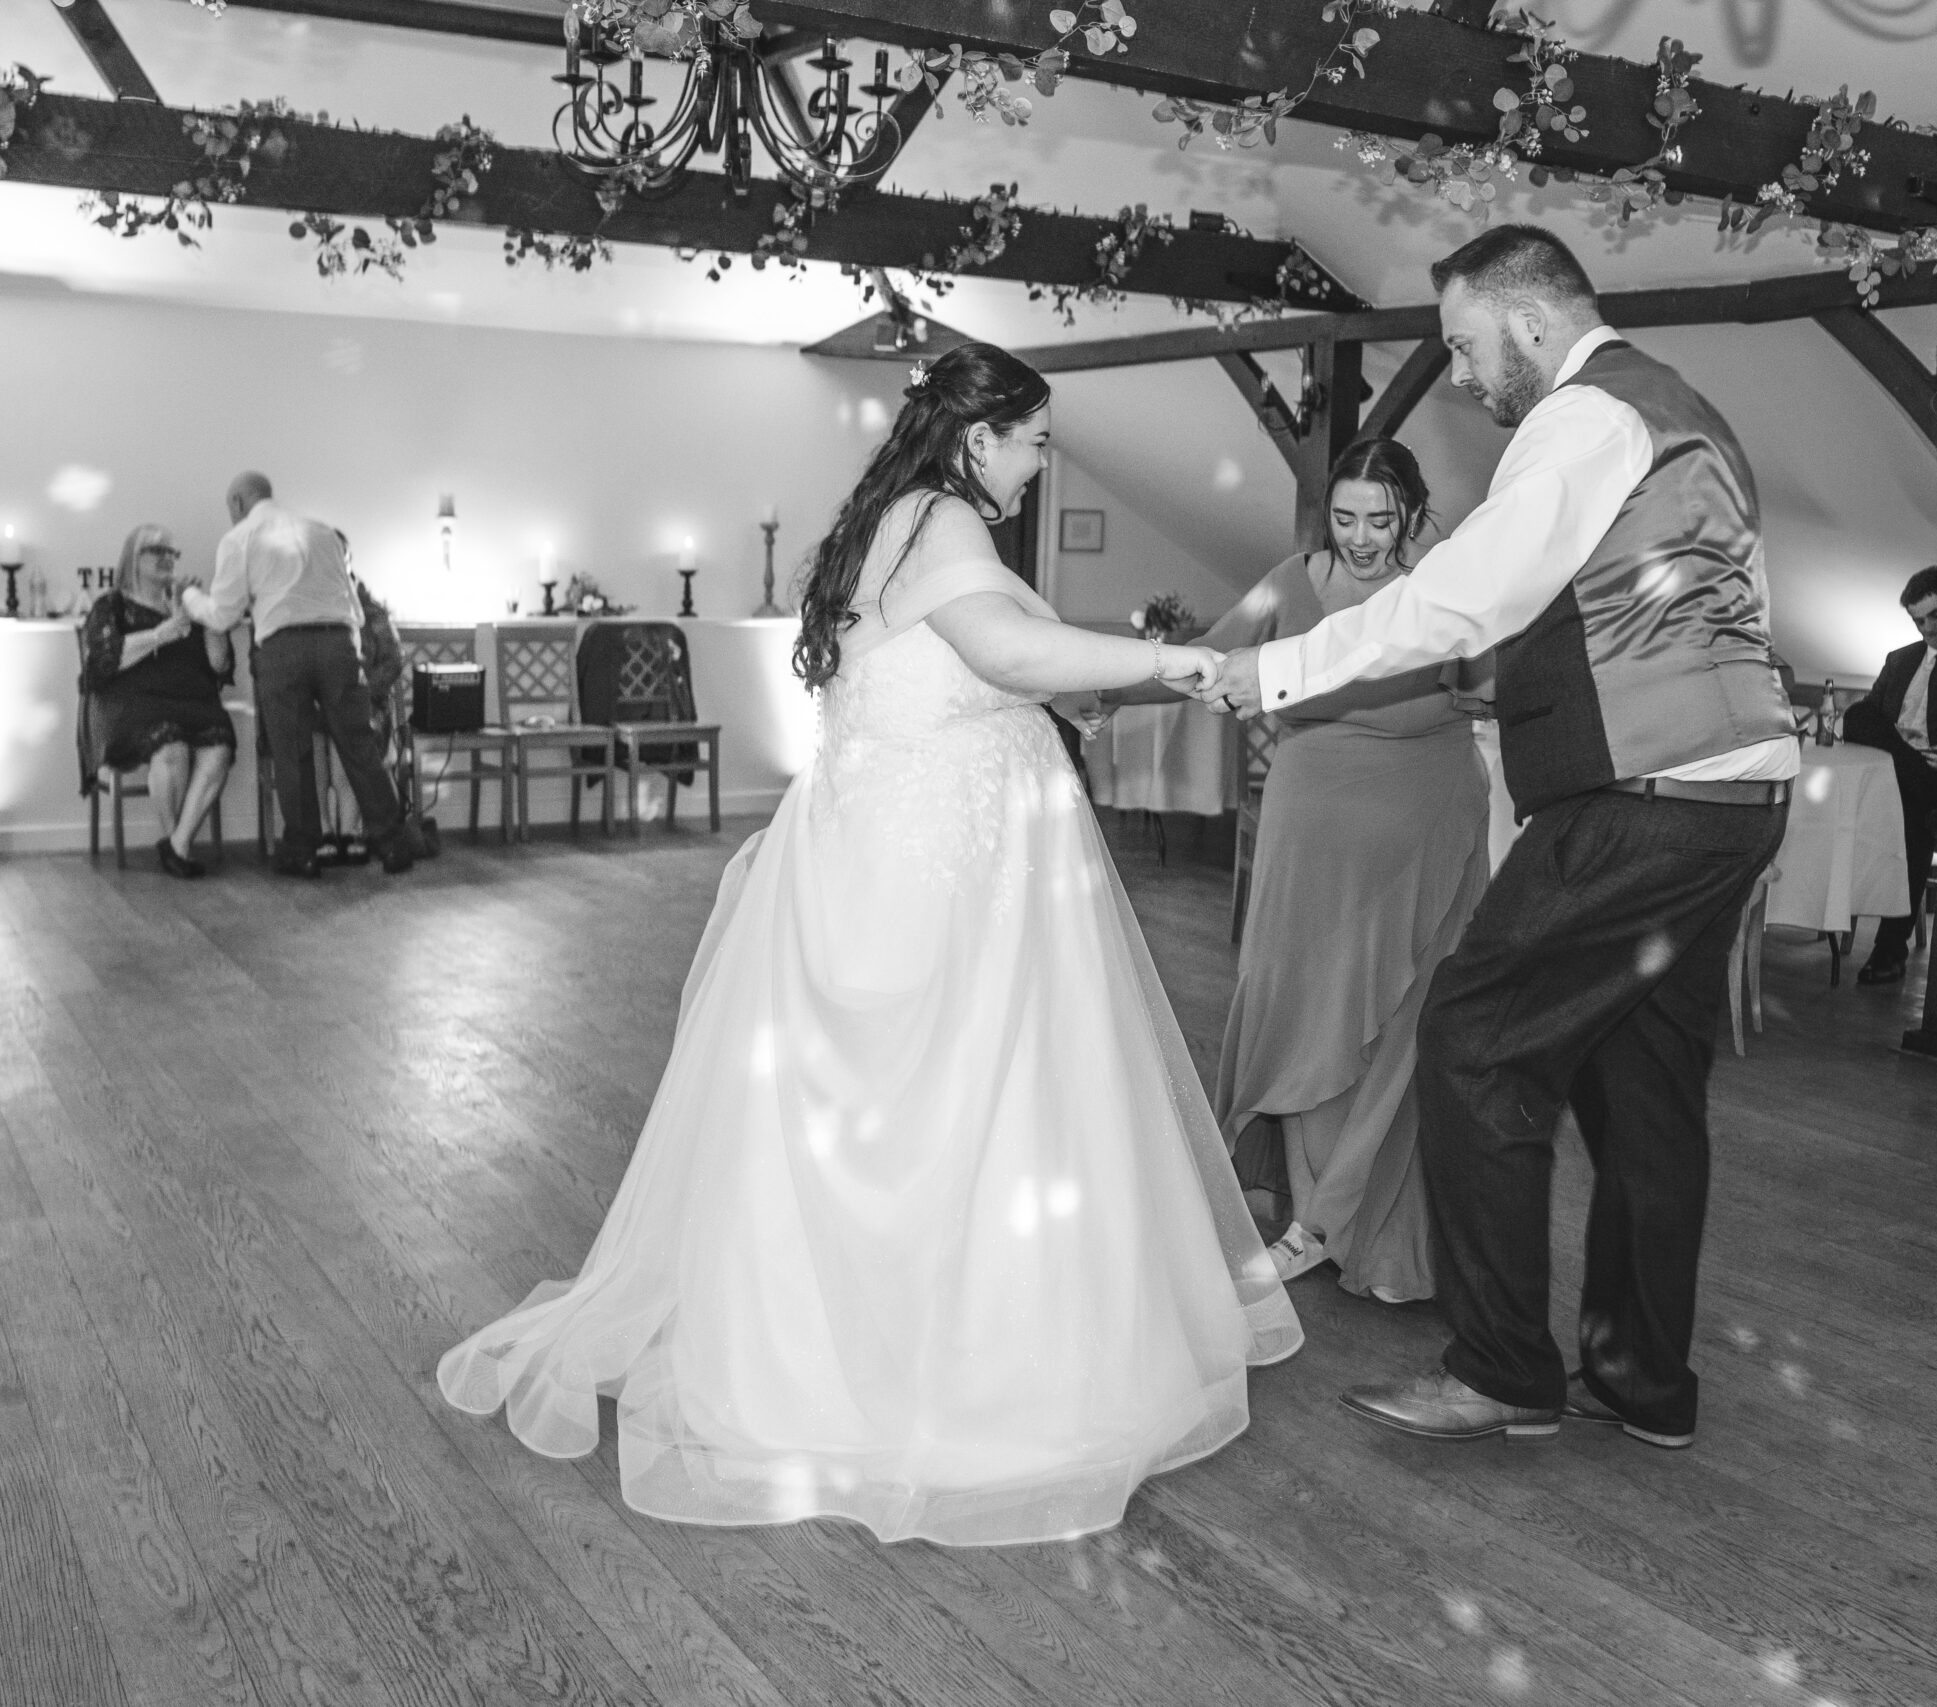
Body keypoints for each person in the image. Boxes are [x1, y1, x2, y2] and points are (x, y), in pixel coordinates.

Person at [439, 343, 1302, 1547]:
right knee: (961, 1096)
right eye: (1035, 439)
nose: (1043, 460)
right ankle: (954, 1370)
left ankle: (837, 1341)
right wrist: (1185, 662)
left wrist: (1069, 689)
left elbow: (962, 664)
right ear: (978, 436)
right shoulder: (948, 518)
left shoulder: (889, 520)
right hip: (943, 861)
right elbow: (1004, 656)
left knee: (890, 1100)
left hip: (883, 839)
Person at [1199, 225, 1794, 1452]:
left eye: (1465, 345)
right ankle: (1641, 1385)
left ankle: (1503, 1367)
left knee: (1470, 1039)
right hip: (1734, 793)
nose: (1462, 376)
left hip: (1643, 795)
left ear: (1528, 321)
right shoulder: (1687, 412)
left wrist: (1274, 670)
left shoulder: (1582, 419)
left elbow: (1466, 592)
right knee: (1643, 1094)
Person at [1108, 439, 1487, 1303]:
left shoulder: (1447, 586)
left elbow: (1493, 682)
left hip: (1428, 828)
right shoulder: (1291, 582)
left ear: (1415, 513)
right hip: (1312, 832)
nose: (1360, 537)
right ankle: (1308, 1207)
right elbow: (1208, 657)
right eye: (1346, 516)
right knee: (1300, 1004)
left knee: (1404, 1026)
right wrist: (1103, 688)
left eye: (1381, 518)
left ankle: (1352, 1226)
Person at [181, 473, 422, 878]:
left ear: (238, 503)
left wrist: (190, 598)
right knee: (358, 744)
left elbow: (222, 614)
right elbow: (354, 606)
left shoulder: (241, 538)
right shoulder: (323, 532)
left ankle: (303, 850)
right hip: (339, 643)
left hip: (284, 649)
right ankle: (392, 841)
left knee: (292, 751)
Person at [79, 524, 237, 878]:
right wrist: (160, 634)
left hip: (193, 701)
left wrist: (210, 619)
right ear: (134, 558)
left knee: (220, 745)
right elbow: (104, 660)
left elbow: (218, 664)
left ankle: (177, 846)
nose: (169, 558)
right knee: (171, 745)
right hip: (133, 704)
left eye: (172, 552)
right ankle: (175, 842)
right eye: (158, 551)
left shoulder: (187, 604)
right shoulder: (113, 604)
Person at [1841, 565, 1937, 987]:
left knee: (1911, 825)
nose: (1927, 628)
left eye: (1936, 617)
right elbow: (1870, 722)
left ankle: (1889, 953)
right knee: (1856, 713)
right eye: (1919, 620)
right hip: (1895, 774)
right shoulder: (1902, 660)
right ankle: (1920, 785)